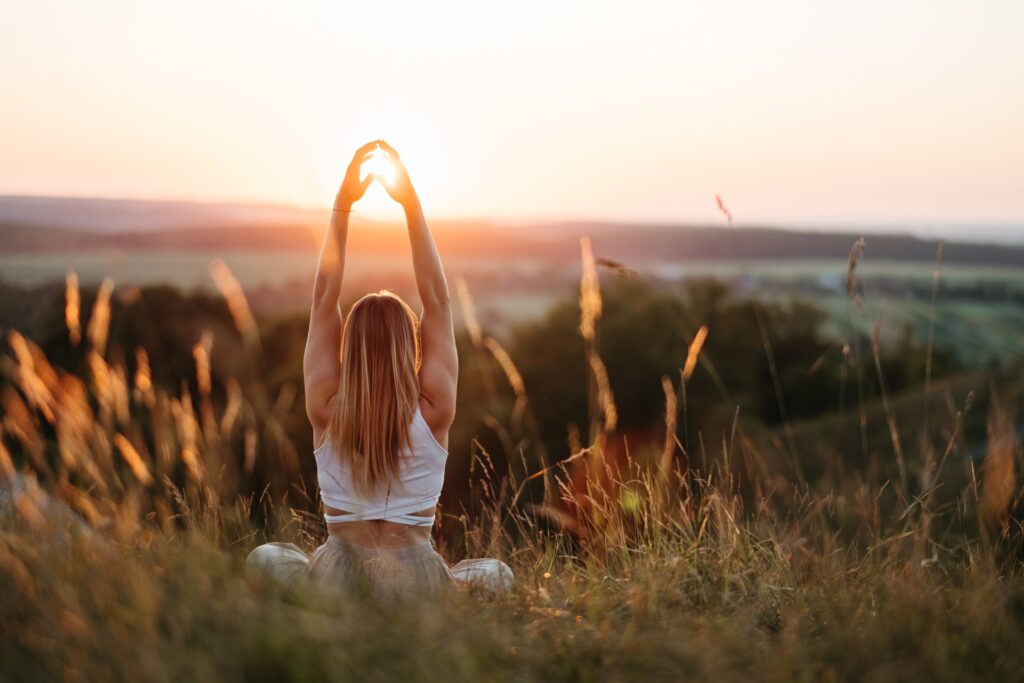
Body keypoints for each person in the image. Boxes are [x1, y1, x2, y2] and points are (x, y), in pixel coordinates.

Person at [246, 141, 512, 599]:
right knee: (496, 576)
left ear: (350, 345)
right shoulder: (434, 410)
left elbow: (323, 296)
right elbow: (439, 300)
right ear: (409, 345)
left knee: (264, 558)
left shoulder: (325, 407)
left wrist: (342, 205)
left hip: (337, 580)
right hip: (418, 583)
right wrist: (411, 206)